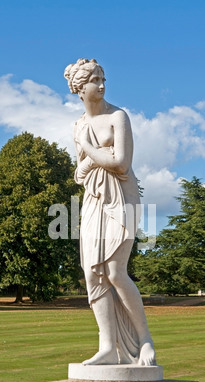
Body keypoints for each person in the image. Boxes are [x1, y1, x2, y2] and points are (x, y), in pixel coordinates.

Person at [64, 58, 156, 366]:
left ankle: (144, 342)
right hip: (93, 200)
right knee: (93, 272)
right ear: (80, 88)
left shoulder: (118, 117)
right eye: (95, 80)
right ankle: (107, 347)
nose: (102, 85)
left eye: (103, 79)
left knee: (116, 272)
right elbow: (80, 174)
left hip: (122, 199)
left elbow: (121, 163)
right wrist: (91, 159)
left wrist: (90, 151)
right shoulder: (78, 125)